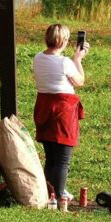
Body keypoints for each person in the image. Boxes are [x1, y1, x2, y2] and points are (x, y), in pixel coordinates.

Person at [33, 24, 90, 211]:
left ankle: (48, 195)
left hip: (44, 108)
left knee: (50, 158)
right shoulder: (65, 62)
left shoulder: (38, 58)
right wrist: (78, 59)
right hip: (63, 111)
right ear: (64, 41)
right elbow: (79, 81)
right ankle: (58, 198)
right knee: (62, 160)